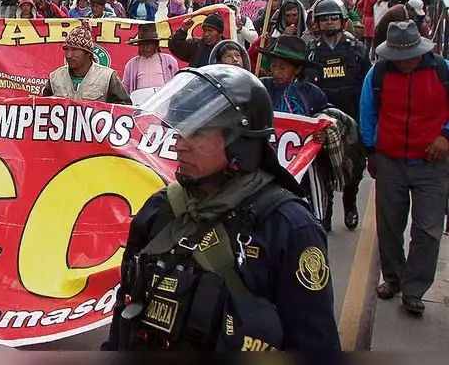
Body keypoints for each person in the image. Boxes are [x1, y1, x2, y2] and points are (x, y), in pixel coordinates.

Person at [102, 64, 340, 351]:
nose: (178, 145)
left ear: (241, 143)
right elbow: (125, 306)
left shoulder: (288, 227)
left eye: (197, 133)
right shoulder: (160, 208)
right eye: (178, 131)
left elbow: (316, 344)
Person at [359, 21, 449, 317]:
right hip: (390, 159)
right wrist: (371, 151)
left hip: (432, 163)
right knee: (389, 224)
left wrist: (445, 136)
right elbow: (368, 112)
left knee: (427, 229)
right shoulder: (379, 74)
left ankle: (415, 289)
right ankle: (393, 278)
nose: (404, 63)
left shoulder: (441, 70)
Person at [306, 0, 371, 230]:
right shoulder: (312, 51)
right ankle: (327, 209)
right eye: (324, 20)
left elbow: (368, 87)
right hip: (323, 121)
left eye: (334, 18)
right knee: (323, 167)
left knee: (354, 167)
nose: (329, 23)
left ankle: (350, 202)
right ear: (317, 23)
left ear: (343, 20)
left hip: (352, 119)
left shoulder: (357, 49)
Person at [257, 36, 332, 228]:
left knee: (309, 203)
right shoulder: (263, 87)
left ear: (297, 69)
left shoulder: (312, 93)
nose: (276, 72)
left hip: (304, 162)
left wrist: (322, 134)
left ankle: (315, 226)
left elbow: (326, 118)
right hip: (270, 159)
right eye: (274, 66)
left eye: (283, 68)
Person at [41, 21, 131, 103]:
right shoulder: (55, 77)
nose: (69, 55)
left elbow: (124, 109)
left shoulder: (107, 77)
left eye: (75, 50)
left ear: (88, 53)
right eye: (66, 49)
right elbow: (43, 108)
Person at [121, 24, 179, 94]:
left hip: (164, 101)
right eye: (142, 44)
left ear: (156, 45)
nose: (145, 48)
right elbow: (125, 88)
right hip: (139, 102)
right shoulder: (131, 64)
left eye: (148, 44)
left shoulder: (169, 61)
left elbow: (177, 83)